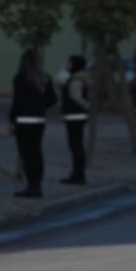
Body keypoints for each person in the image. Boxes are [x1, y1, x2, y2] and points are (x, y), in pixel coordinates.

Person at [8, 48, 56, 198]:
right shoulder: (45, 78)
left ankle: (31, 187)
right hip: (39, 121)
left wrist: (12, 120)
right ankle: (37, 186)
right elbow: (53, 99)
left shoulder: (21, 78)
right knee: (37, 153)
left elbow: (17, 102)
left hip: (23, 121)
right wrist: (40, 107)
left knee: (27, 154)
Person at [60, 55, 90, 185]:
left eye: (69, 62)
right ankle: (77, 174)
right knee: (76, 146)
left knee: (75, 146)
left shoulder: (75, 79)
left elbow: (75, 96)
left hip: (74, 116)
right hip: (77, 116)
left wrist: (86, 106)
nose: (67, 65)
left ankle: (78, 175)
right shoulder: (81, 78)